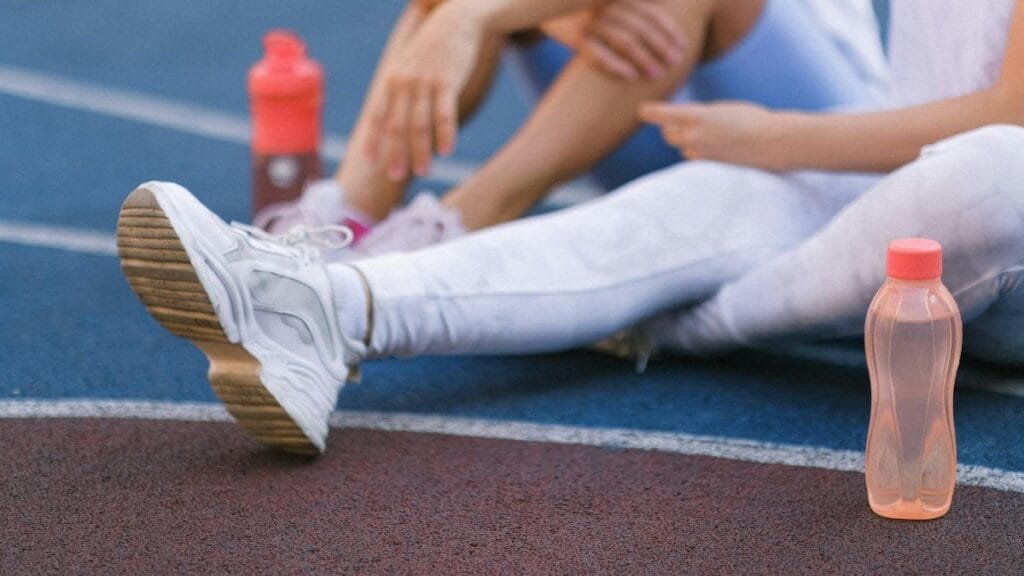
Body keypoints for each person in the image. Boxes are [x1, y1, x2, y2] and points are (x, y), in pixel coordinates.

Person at [116, 0, 1024, 457]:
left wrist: (772, 136)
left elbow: (1011, 114)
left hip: (930, 182)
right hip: (846, 172)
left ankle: (668, 316)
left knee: (993, 171)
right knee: (683, 192)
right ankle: (331, 282)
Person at [253, 0, 887, 257]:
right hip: (644, 99)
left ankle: (441, 235)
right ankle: (337, 226)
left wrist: (477, 15)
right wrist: (568, 16)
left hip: (810, 134)